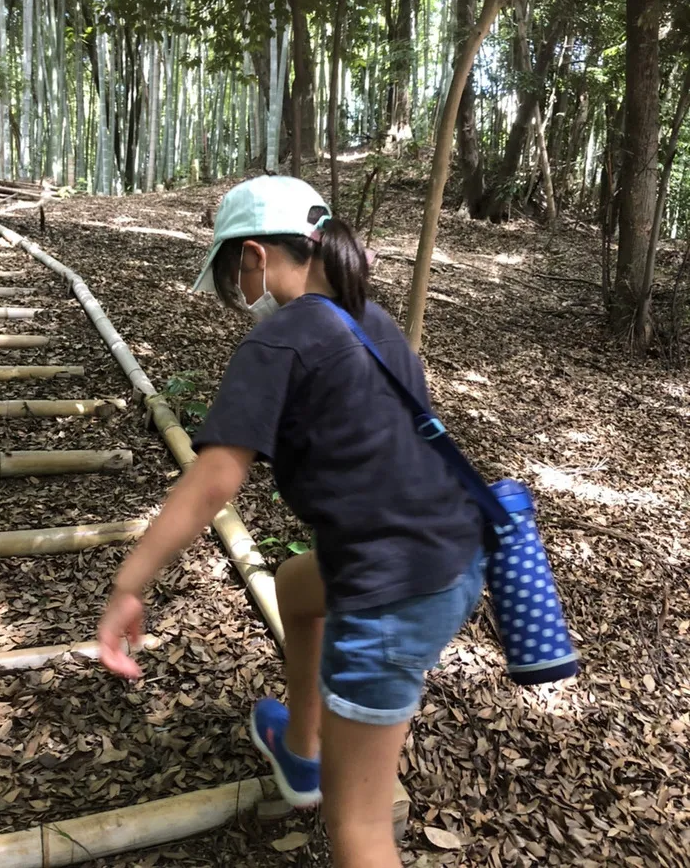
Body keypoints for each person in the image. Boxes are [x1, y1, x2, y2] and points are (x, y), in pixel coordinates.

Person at [98, 175, 485, 868]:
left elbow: (213, 478)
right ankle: (300, 751)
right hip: (451, 555)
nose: (234, 290)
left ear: (253, 256)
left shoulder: (279, 341)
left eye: (228, 272)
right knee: (297, 583)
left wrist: (130, 583)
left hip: (392, 590)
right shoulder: (373, 319)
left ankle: (321, 771)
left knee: (360, 828)